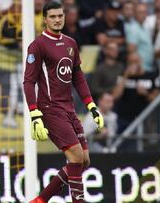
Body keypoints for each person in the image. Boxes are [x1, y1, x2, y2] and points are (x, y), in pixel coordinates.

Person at [23, 2, 104, 203]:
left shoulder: (71, 43)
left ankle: (41, 200)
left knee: (84, 160)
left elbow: (77, 76)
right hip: (50, 109)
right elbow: (28, 81)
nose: (57, 19)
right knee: (75, 156)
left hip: (69, 109)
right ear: (44, 19)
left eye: (60, 15)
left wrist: (91, 105)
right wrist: (34, 114)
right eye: (52, 16)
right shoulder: (38, 45)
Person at [114, 52, 159, 133]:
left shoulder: (151, 76)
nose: (133, 64)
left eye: (135, 61)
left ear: (140, 61)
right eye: (131, 62)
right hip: (125, 117)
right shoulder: (122, 76)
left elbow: (157, 98)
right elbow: (115, 96)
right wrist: (126, 76)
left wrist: (146, 94)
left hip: (144, 117)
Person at [126, 3, 154, 72]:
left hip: (148, 68)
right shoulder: (133, 28)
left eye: (145, 12)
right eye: (140, 12)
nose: (143, 15)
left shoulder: (145, 28)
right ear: (134, 14)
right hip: (140, 69)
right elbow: (131, 50)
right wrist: (138, 67)